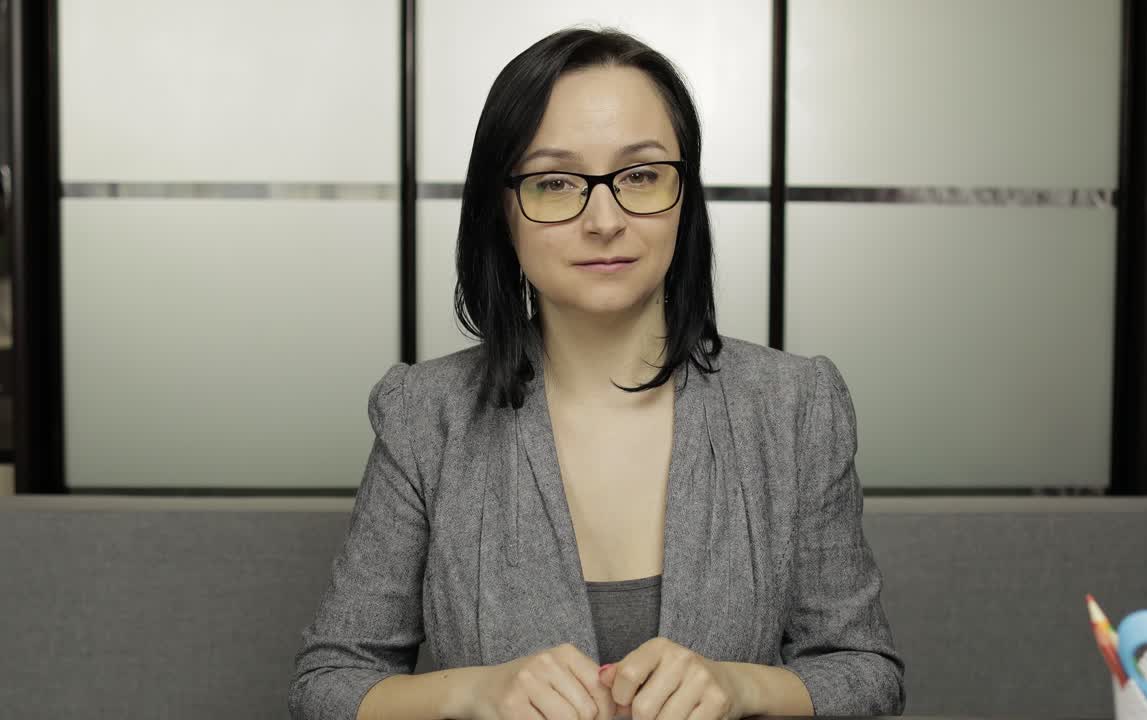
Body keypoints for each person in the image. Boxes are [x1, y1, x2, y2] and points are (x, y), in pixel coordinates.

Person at [289, 26, 904, 720]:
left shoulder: (796, 405)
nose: (604, 219)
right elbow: (329, 683)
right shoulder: (425, 415)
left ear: (684, 197)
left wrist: (743, 687)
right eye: (555, 182)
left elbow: (865, 672)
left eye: (641, 176)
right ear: (504, 209)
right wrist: (474, 691)